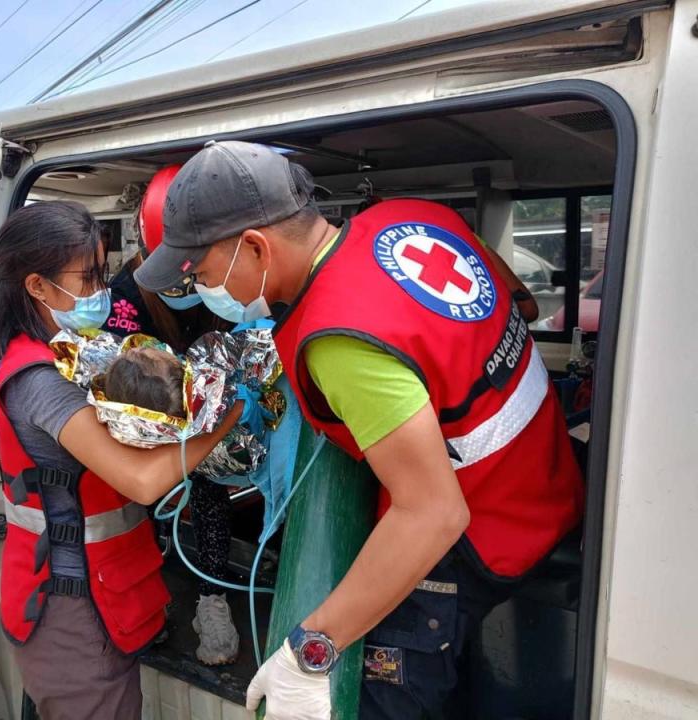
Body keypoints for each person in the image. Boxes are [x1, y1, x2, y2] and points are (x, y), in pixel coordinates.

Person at [135, 141, 584, 719]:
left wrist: (309, 651)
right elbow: (519, 307)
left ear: (253, 246)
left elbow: (433, 514)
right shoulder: (412, 217)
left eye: (200, 268)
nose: (197, 284)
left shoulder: (339, 337)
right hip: (552, 483)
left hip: (483, 536)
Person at [0, 201, 243, 720]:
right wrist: (226, 417)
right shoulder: (37, 378)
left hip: (107, 593)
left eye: (103, 274)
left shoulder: (75, 350)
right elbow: (140, 481)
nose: (100, 292)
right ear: (38, 287)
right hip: (71, 608)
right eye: (86, 278)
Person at [102, 165, 242, 666]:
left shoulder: (228, 279)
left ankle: (212, 599)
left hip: (214, 416)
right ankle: (150, 603)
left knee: (209, 496)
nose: (192, 279)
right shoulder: (127, 293)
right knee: (145, 509)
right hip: (150, 416)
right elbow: (124, 371)